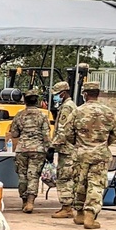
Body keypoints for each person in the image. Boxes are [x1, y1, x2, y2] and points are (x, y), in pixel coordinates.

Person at [64, 81, 116, 229]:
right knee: (96, 185)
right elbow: (115, 133)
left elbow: (68, 133)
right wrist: (102, 144)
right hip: (100, 155)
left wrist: (79, 143)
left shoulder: (77, 111)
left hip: (81, 154)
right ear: (98, 93)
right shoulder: (108, 112)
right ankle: (90, 215)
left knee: (80, 184)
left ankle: (80, 214)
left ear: (85, 94)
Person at [6, 89, 51, 213]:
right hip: (38, 149)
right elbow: (46, 135)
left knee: (22, 176)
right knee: (33, 176)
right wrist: (49, 149)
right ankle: (31, 202)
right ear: (37, 101)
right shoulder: (43, 116)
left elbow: (14, 134)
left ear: (25, 101)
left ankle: (24, 201)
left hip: (22, 149)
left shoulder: (19, 115)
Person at [49, 80, 78, 219]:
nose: (55, 97)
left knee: (64, 177)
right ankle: (68, 206)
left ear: (64, 93)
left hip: (67, 149)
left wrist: (52, 146)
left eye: (57, 94)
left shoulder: (67, 107)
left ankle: (67, 207)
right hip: (68, 148)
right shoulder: (68, 106)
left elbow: (63, 130)